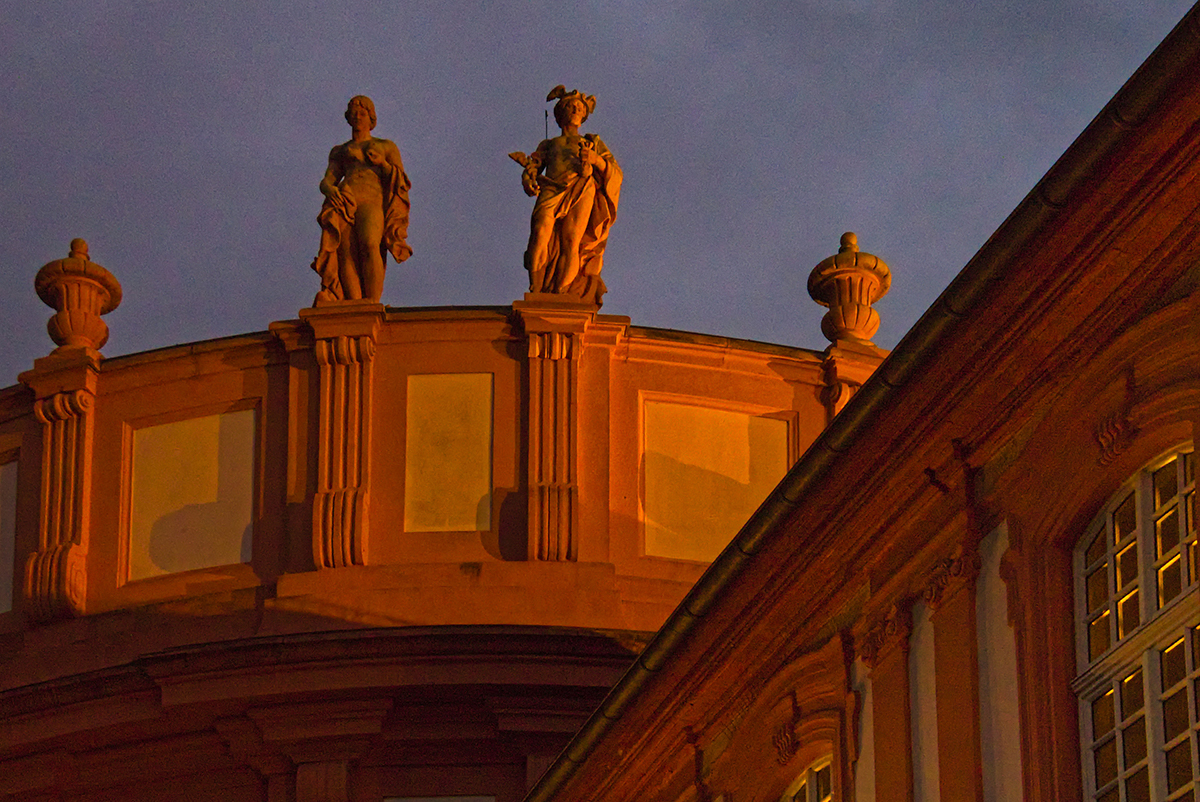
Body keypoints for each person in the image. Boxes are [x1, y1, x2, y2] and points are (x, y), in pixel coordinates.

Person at [512, 86, 622, 304]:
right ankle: (536, 288)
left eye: (579, 107)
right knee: (540, 231)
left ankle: (562, 295)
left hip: (582, 187)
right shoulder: (549, 144)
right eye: (570, 106)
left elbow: (615, 172)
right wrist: (528, 179)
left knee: (571, 240)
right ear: (560, 113)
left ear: (584, 115)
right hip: (551, 188)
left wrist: (595, 159)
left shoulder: (593, 142)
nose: (574, 110)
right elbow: (534, 167)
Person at [311, 95, 411, 304]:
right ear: (348, 117)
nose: (358, 116)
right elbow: (327, 180)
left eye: (363, 113)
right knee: (346, 252)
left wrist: (383, 164)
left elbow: (400, 181)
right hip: (346, 200)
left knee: (370, 244)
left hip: (372, 200)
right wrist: (329, 190)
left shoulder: (385, 146)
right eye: (354, 113)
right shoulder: (340, 151)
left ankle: (371, 302)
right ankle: (354, 303)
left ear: (371, 117)